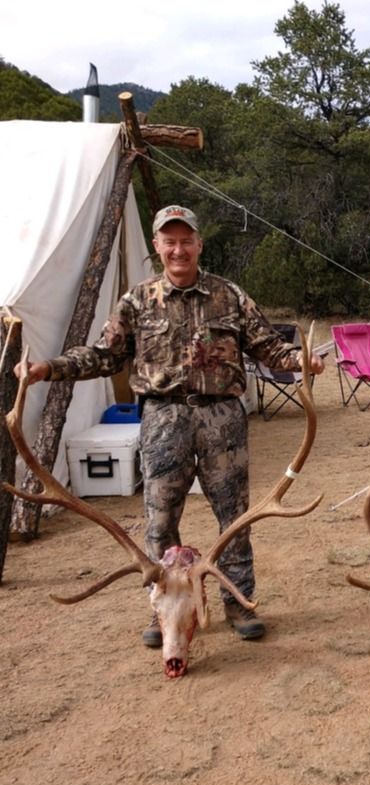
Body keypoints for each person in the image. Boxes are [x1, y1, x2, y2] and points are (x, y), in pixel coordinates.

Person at [17, 204, 326, 646]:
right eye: (170, 241)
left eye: (186, 240)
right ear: (158, 246)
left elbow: (268, 348)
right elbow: (105, 356)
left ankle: (239, 605)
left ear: (199, 244)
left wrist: (302, 361)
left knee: (234, 518)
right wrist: (49, 368)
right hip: (162, 417)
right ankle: (163, 606)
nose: (178, 249)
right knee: (160, 521)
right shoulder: (137, 300)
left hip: (222, 417)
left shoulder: (230, 296)